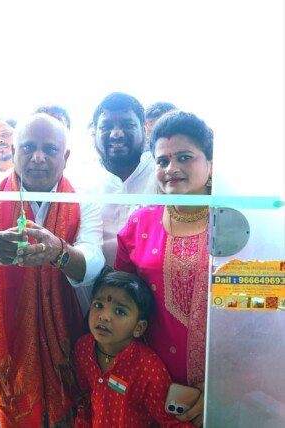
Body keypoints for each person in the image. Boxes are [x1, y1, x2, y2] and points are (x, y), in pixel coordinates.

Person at [0, 113, 105, 427]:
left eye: (49, 149)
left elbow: (92, 264)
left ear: (65, 156)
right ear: (14, 151)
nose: (38, 157)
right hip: (1, 334)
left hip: (68, 334)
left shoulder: (83, 196)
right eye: (28, 147)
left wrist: (59, 251)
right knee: (3, 413)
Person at [115, 111, 214, 427]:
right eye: (162, 161)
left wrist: (225, 382)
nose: (171, 168)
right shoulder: (139, 223)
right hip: (154, 383)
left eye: (184, 157)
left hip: (229, 382)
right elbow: (122, 304)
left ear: (211, 164)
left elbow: (261, 314)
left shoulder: (237, 225)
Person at [74, 267, 194, 427]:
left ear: (139, 328)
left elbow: (171, 422)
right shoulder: (83, 348)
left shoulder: (148, 369)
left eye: (119, 311)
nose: (104, 316)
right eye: (98, 305)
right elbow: (85, 399)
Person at [92, 92, 158, 265]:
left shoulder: (162, 175)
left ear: (145, 130)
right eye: (106, 127)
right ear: (95, 132)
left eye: (127, 125)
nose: (116, 134)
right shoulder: (82, 181)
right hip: (94, 281)